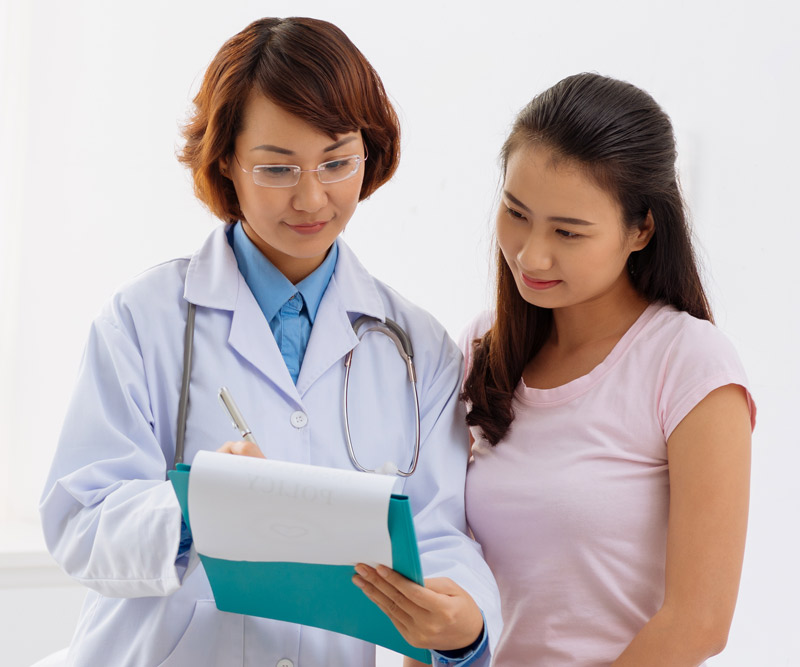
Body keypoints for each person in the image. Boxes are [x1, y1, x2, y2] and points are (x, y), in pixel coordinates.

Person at [39, 17, 500, 667]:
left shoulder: (417, 347)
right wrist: (195, 506)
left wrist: (465, 625)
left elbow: (439, 531)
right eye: (278, 167)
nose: (312, 197)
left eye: (337, 162)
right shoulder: (143, 319)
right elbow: (80, 519)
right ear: (226, 159)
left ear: (369, 153)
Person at [460, 73, 755, 666]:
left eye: (568, 232)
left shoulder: (689, 363)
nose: (531, 254)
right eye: (516, 213)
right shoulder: (485, 347)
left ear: (641, 229)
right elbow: (444, 575)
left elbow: (699, 623)